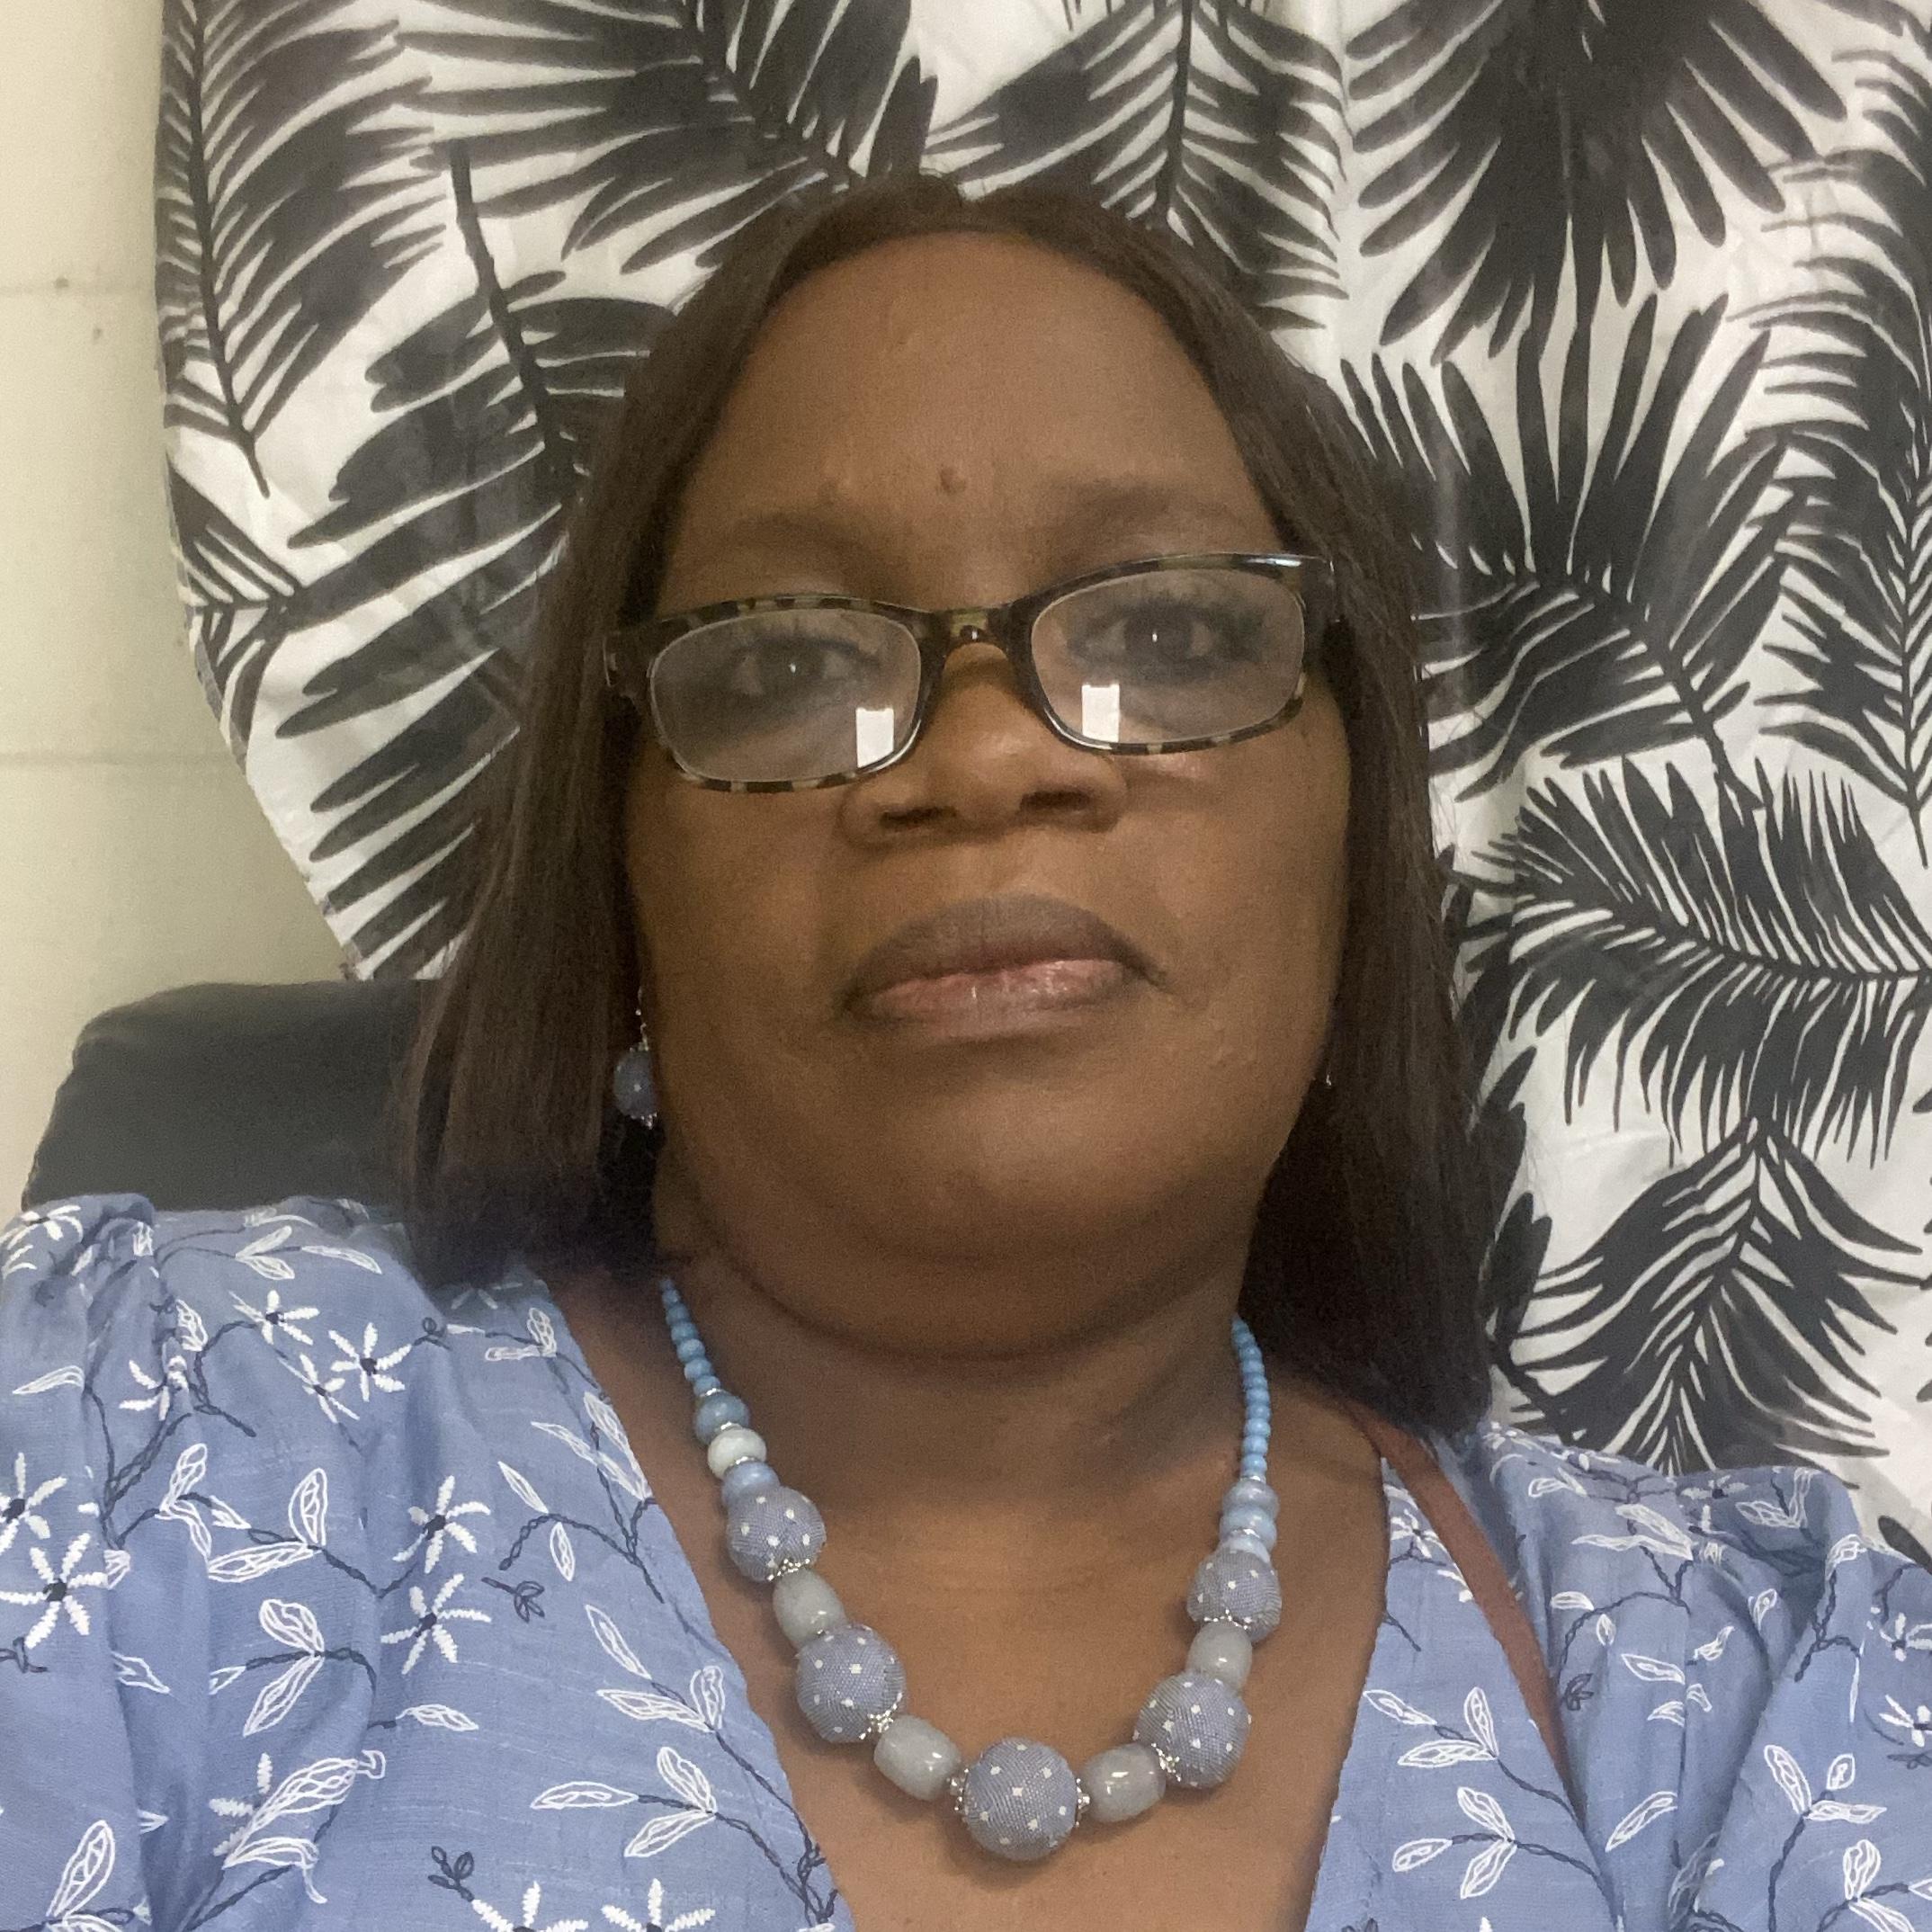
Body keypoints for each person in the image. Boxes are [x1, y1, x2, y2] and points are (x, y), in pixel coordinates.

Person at [2, 174, 1927, 1932]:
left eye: (1168, 636)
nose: (989, 756)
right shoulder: (134, 1454)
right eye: (785, 662)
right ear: (623, 877)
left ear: (1353, 844)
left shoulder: (1759, 1692)